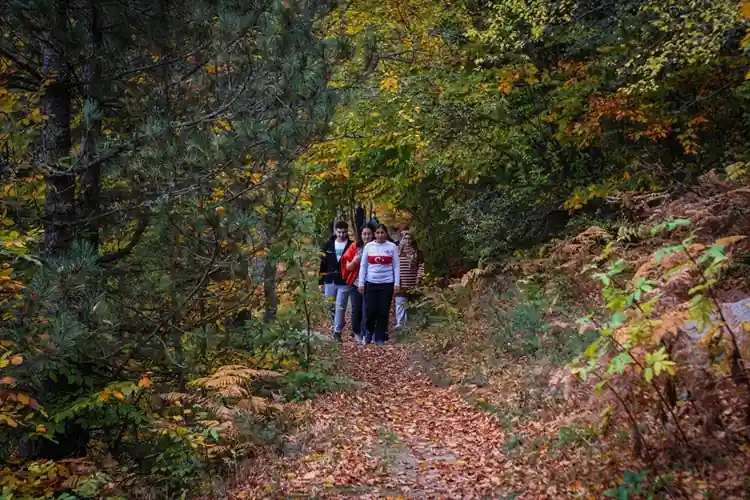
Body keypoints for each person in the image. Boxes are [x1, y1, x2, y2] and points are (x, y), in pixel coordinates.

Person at [358, 224, 400, 345]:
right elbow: (363, 266)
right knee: (370, 310)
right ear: (374, 234)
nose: (380, 235)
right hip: (371, 282)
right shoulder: (369, 247)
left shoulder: (392, 247)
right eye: (377, 233)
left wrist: (396, 283)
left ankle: (380, 336)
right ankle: (369, 332)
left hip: (387, 283)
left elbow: (396, 266)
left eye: (382, 232)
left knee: (383, 310)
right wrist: (361, 282)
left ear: (386, 233)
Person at [319, 220, 353, 341]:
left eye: (344, 232)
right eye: (339, 232)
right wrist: (320, 281)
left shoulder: (351, 245)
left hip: (344, 281)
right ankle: (338, 322)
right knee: (330, 306)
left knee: (340, 306)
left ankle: (337, 332)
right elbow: (322, 263)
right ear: (335, 231)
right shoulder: (328, 244)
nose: (341, 235)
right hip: (329, 280)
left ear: (347, 232)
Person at [341, 224, 374, 345]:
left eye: (369, 234)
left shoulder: (376, 246)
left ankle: (368, 333)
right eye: (364, 234)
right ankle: (357, 332)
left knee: (368, 310)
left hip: (371, 283)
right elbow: (347, 267)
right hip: (355, 283)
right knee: (356, 309)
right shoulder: (354, 247)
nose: (367, 236)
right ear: (360, 235)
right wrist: (355, 260)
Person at [395, 231, 424, 329]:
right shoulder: (397, 251)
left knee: (412, 305)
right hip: (401, 282)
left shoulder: (418, 252)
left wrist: (419, 277)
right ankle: (400, 324)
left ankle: (410, 325)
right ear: (402, 239)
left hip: (413, 282)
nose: (407, 241)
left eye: (409, 238)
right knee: (400, 303)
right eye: (405, 238)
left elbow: (421, 266)